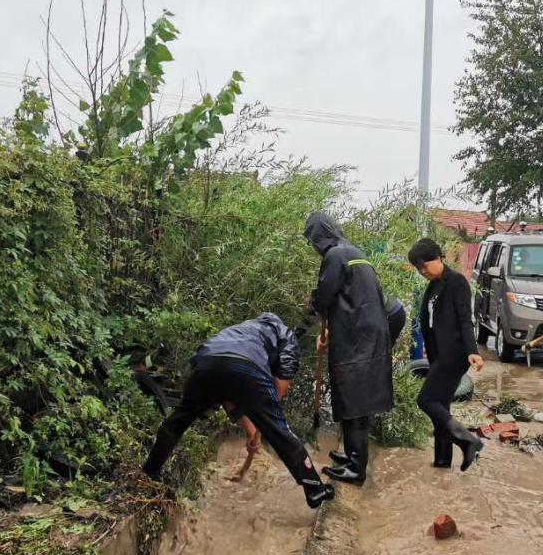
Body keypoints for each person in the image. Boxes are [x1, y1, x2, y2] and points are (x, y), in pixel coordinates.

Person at [143, 313, 333, 509]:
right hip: (248, 366)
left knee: (177, 421)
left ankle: (150, 471)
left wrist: (252, 432)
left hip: (206, 363)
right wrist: (270, 413)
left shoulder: (238, 330)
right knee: (279, 431)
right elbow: (282, 384)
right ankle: (314, 488)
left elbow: (229, 396)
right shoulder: (284, 333)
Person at [305, 212, 394, 487]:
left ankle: (357, 469)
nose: (313, 247)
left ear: (319, 236)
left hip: (357, 339)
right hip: (369, 335)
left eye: (312, 240)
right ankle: (354, 456)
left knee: (354, 400)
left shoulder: (335, 255)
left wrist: (299, 327)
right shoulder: (356, 252)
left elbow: (324, 295)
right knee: (356, 399)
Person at [407, 238, 485, 470]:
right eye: (418, 268)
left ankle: (468, 441)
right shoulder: (433, 286)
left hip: (454, 354)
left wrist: (473, 351)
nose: (423, 271)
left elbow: (465, 319)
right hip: (439, 356)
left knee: (426, 400)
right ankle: (442, 461)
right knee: (440, 405)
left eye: (425, 265)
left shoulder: (456, 282)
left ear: (439, 257)